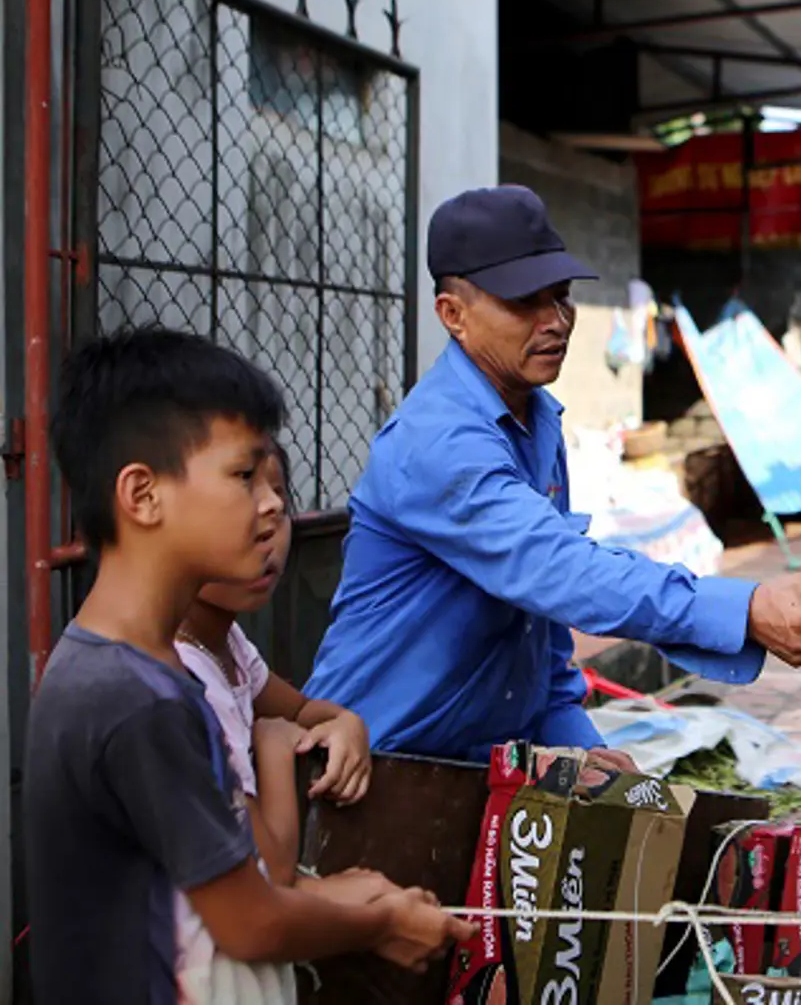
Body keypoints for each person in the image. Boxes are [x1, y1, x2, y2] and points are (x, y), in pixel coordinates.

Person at [304, 186, 801, 765]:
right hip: (375, 765)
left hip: (485, 767)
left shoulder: (537, 418)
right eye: (524, 302)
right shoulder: (437, 442)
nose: (555, 322)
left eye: (561, 297)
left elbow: (537, 627)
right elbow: (559, 570)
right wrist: (745, 608)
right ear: (453, 315)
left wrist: (576, 743)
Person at [25, 327, 473, 1003]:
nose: (270, 505)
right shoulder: (136, 700)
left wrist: (340, 898)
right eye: (242, 475)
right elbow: (252, 924)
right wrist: (378, 920)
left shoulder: (132, 670)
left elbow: (222, 891)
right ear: (142, 495)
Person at [175, 441, 374, 888]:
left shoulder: (226, 641)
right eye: (244, 490)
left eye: (280, 499)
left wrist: (346, 723)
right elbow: (273, 872)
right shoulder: (185, 676)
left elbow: (301, 711)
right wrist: (274, 746)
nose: (272, 516)